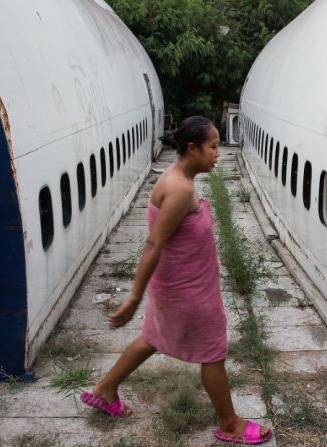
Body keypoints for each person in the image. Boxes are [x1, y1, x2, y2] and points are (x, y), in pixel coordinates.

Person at [80, 116, 273, 445]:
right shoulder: (180, 188)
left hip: (180, 283)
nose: (218, 153)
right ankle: (229, 424)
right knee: (212, 353)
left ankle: (105, 389)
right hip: (188, 293)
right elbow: (154, 244)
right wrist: (134, 296)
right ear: (191, 148)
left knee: (153, 337)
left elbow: (178, 237)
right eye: (213, 147)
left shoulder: (180, 179)